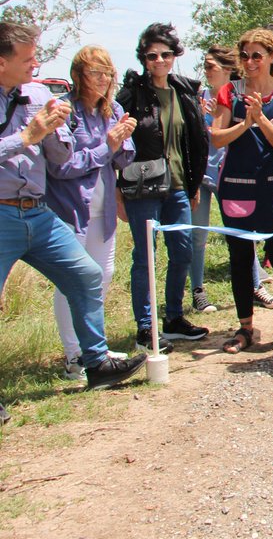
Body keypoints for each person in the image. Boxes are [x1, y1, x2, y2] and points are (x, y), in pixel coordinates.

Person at [0, 22, 145, 406]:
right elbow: (48, 155)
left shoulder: (36, 95)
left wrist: (74, 136)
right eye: (28, 58)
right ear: (1, 63)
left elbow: (60, 157)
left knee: (85, 274)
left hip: (36, 210)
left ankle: (95, 363)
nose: (37, 63)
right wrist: (27, 137)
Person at [116, 22, 210, 353]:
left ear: (174, 56)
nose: (159, 61)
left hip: (180, 186)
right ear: (143, 58)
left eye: (165, 54)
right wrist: (117, 191)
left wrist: (194, 181)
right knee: (145, 257)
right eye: (152, 55)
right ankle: (145, 327)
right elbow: (117, 145)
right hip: (143, 187)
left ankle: (173, 319)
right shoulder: (130, 95)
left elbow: (197, 140)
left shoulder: (184, 91)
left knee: (182, 251)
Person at [209, 29, 273, 353]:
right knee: (239, 258)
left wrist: (260, 118)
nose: (249, 62)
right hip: (237, 186)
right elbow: (217, 137)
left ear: (272, 57)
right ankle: (246, 328)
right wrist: (245, 123)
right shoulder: (228, 92)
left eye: (256, 56)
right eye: (245, 55)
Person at [45, 46, 136, 379]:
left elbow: (123, 160)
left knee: (103, 276)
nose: (103, 79)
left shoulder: (114, 109)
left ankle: (95, 348)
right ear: (78, 75)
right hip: (70, 208)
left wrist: (124, 140)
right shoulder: (65, 111)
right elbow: (62, 166)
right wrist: (107, 146)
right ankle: (74, 357)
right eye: (95, 73)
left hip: (104, 208)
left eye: (108, 73)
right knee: (72, 281)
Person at [189, 45, 235, 314]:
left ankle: (255, 284)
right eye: (204, 66)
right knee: (198, 235)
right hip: (201, 174)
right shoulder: (197, 97)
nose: (206, 71)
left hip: (230, 175)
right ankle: (198, 291)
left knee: (240, 234)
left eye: (211, 67)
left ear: (227, 70)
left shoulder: (237, 97)